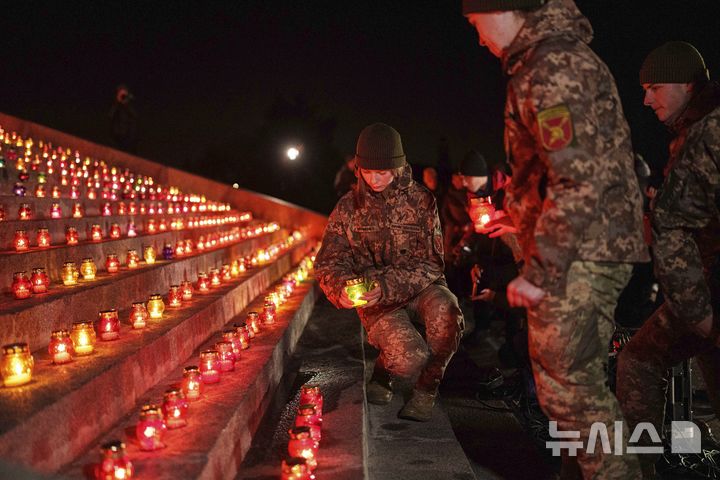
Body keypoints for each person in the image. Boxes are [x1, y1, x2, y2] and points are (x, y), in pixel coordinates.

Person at [462, 1, 649, 478]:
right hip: (586, 245)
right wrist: (518, 219)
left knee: (572, 391)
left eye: (476, 23)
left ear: (502, 9)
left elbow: (580, 176)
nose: (479, 38)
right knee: (571, 390)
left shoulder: (551, 65)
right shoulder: (547, 60)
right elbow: (556, 171)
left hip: (583, 251)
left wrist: (542, 268)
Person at [616, 41, 720, 479]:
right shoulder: (696, 132)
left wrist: (699, 315)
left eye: (655, 87)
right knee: (641, 358)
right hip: (710, 284)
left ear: (687, 85)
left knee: (638, 359)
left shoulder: (705, 134)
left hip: (709, 294)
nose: (646, 99)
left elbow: (674, 231)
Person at [314, 123, 464, 422]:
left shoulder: (422, 201)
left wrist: (386, 285)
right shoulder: (348, 207)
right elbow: (328, 262)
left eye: (382, 172)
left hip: (421, 286)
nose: (374, 179)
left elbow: (432, 262)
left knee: (448, 315)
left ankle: (426, 390)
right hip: (375, 298)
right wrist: (340, 289)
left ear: (398, 167)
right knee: (411, 359)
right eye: (367, 172)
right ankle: (384, 370)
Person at [108, 84, 138, 153]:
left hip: (128, 141)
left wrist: (127, 102)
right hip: (115, 139)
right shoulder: (115, 107)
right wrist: (118, 102)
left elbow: (134, 118)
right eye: (121, 94)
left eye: (125, 95)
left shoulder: (130, 108)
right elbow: (110, 117)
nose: (123, 97)